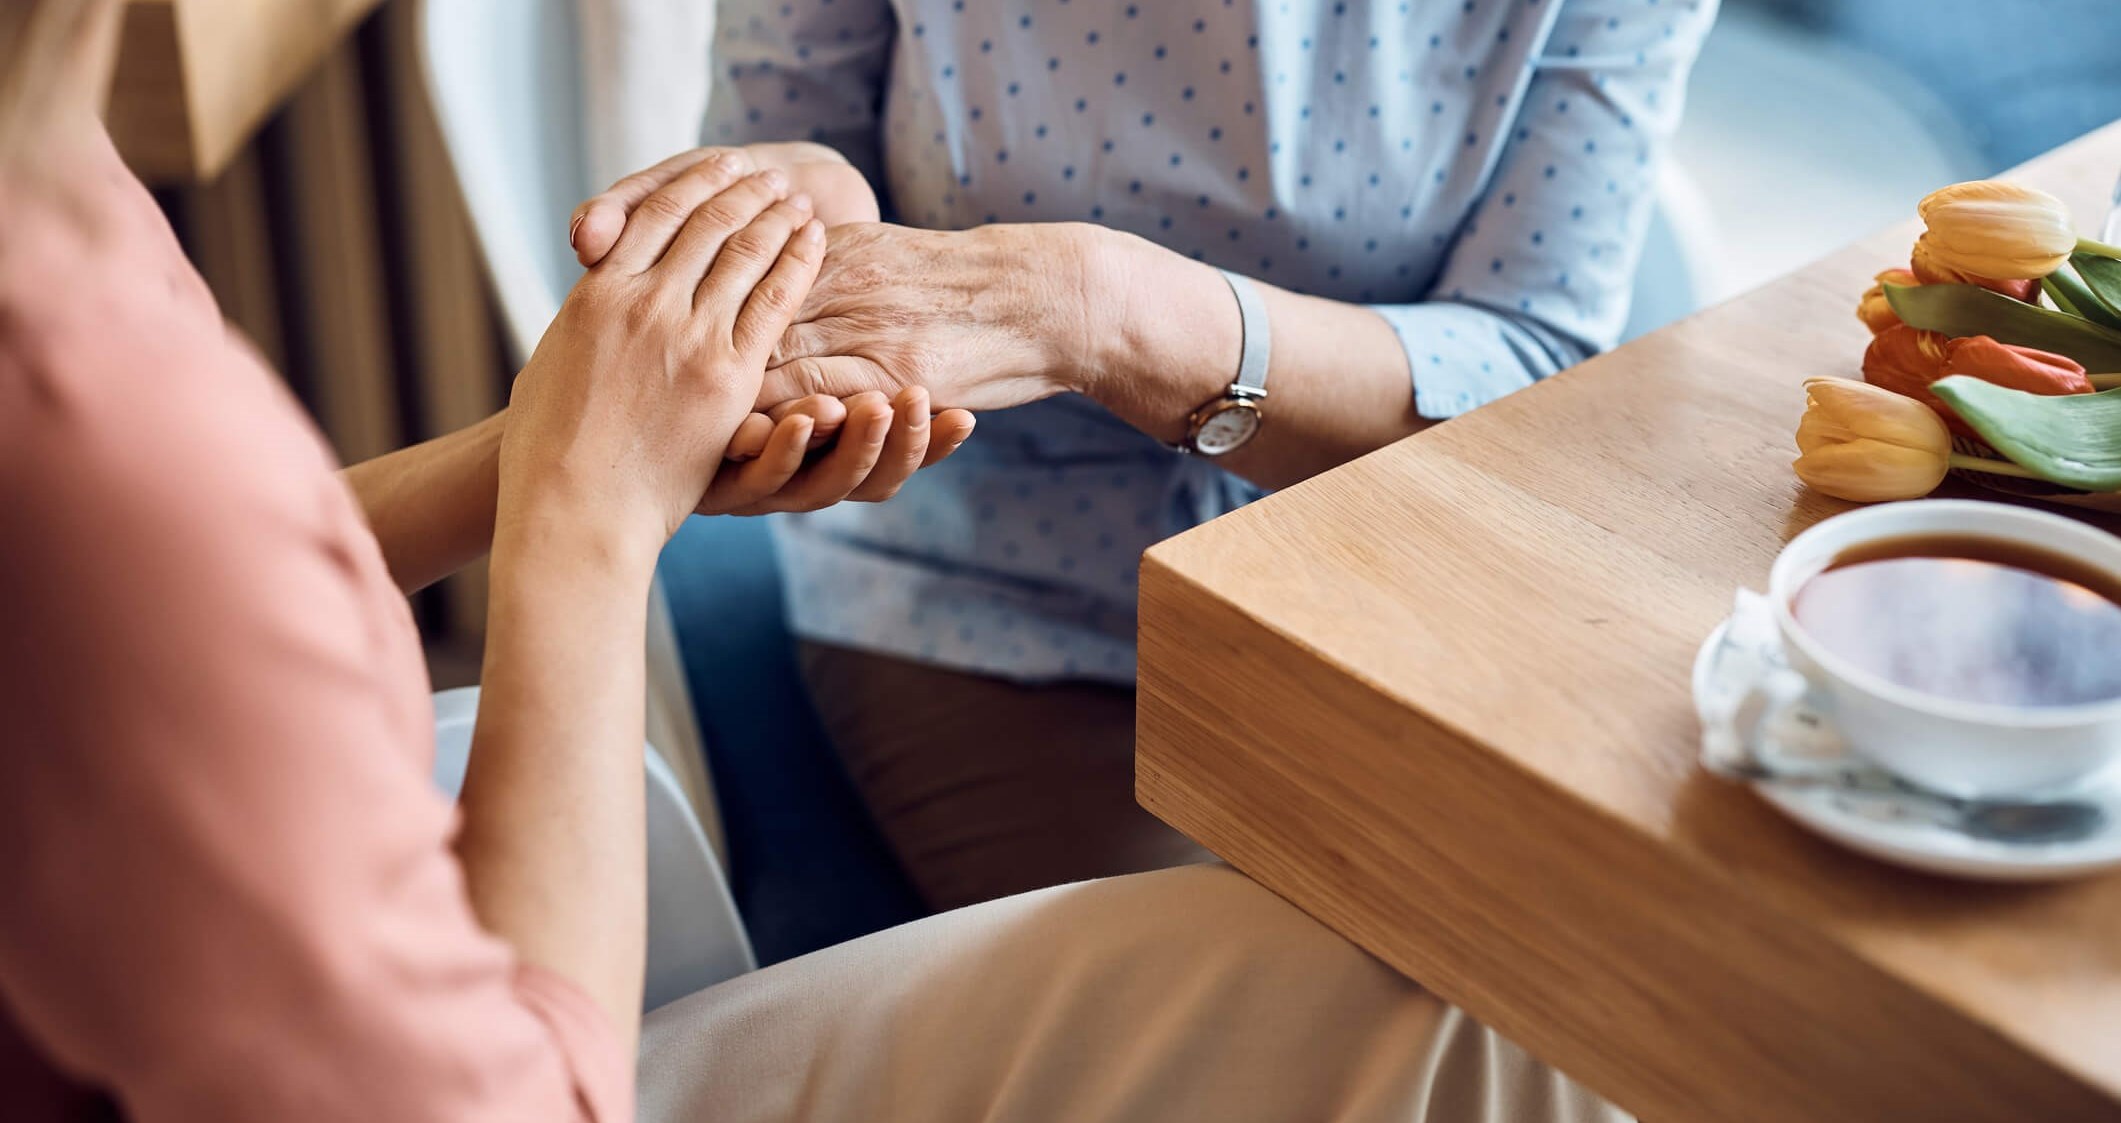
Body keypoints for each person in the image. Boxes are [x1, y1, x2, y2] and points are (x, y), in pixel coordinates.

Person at [0, 5, 1624, 1121]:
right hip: (525, 997)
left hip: (361, 925)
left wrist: (545, 460)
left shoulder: (60, 199)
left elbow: (1552, 371)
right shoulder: (98, 441)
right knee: (1458, 1016)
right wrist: (579, 516)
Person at [594, 0, 1722, 912]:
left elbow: (1535, 356)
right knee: (1297, 1032)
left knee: (1607, 963)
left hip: (1426, 595)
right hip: (1000, 600)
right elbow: (803, 160)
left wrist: (1106, 313)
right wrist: (800, 224)